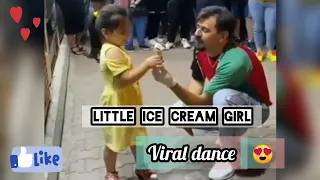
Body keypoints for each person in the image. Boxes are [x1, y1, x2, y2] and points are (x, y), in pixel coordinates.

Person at [151, 6, 271, 179]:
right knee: (175, 112)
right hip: (230, 107)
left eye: (205, 30)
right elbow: (195, 85)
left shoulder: (236, 59)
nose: (197, 33)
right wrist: (186, 113)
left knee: (223, 97)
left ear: (223, 36)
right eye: (198, 26)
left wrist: (170, 83)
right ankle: (229, 133)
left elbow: (202, 101)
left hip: (256, 111)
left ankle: (229, 154)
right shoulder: (201, 49)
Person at [95, 4, 163, 180]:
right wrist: (146, 65)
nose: (127, 35)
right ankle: (111, 172)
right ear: (106, 33)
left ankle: (142, 168)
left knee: (137, 137)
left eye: (128, 30)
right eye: (122, 32)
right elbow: (124, 80)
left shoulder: (116, 47)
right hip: (116, 103)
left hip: (129, 101)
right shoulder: (111, 52)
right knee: (113, 142)